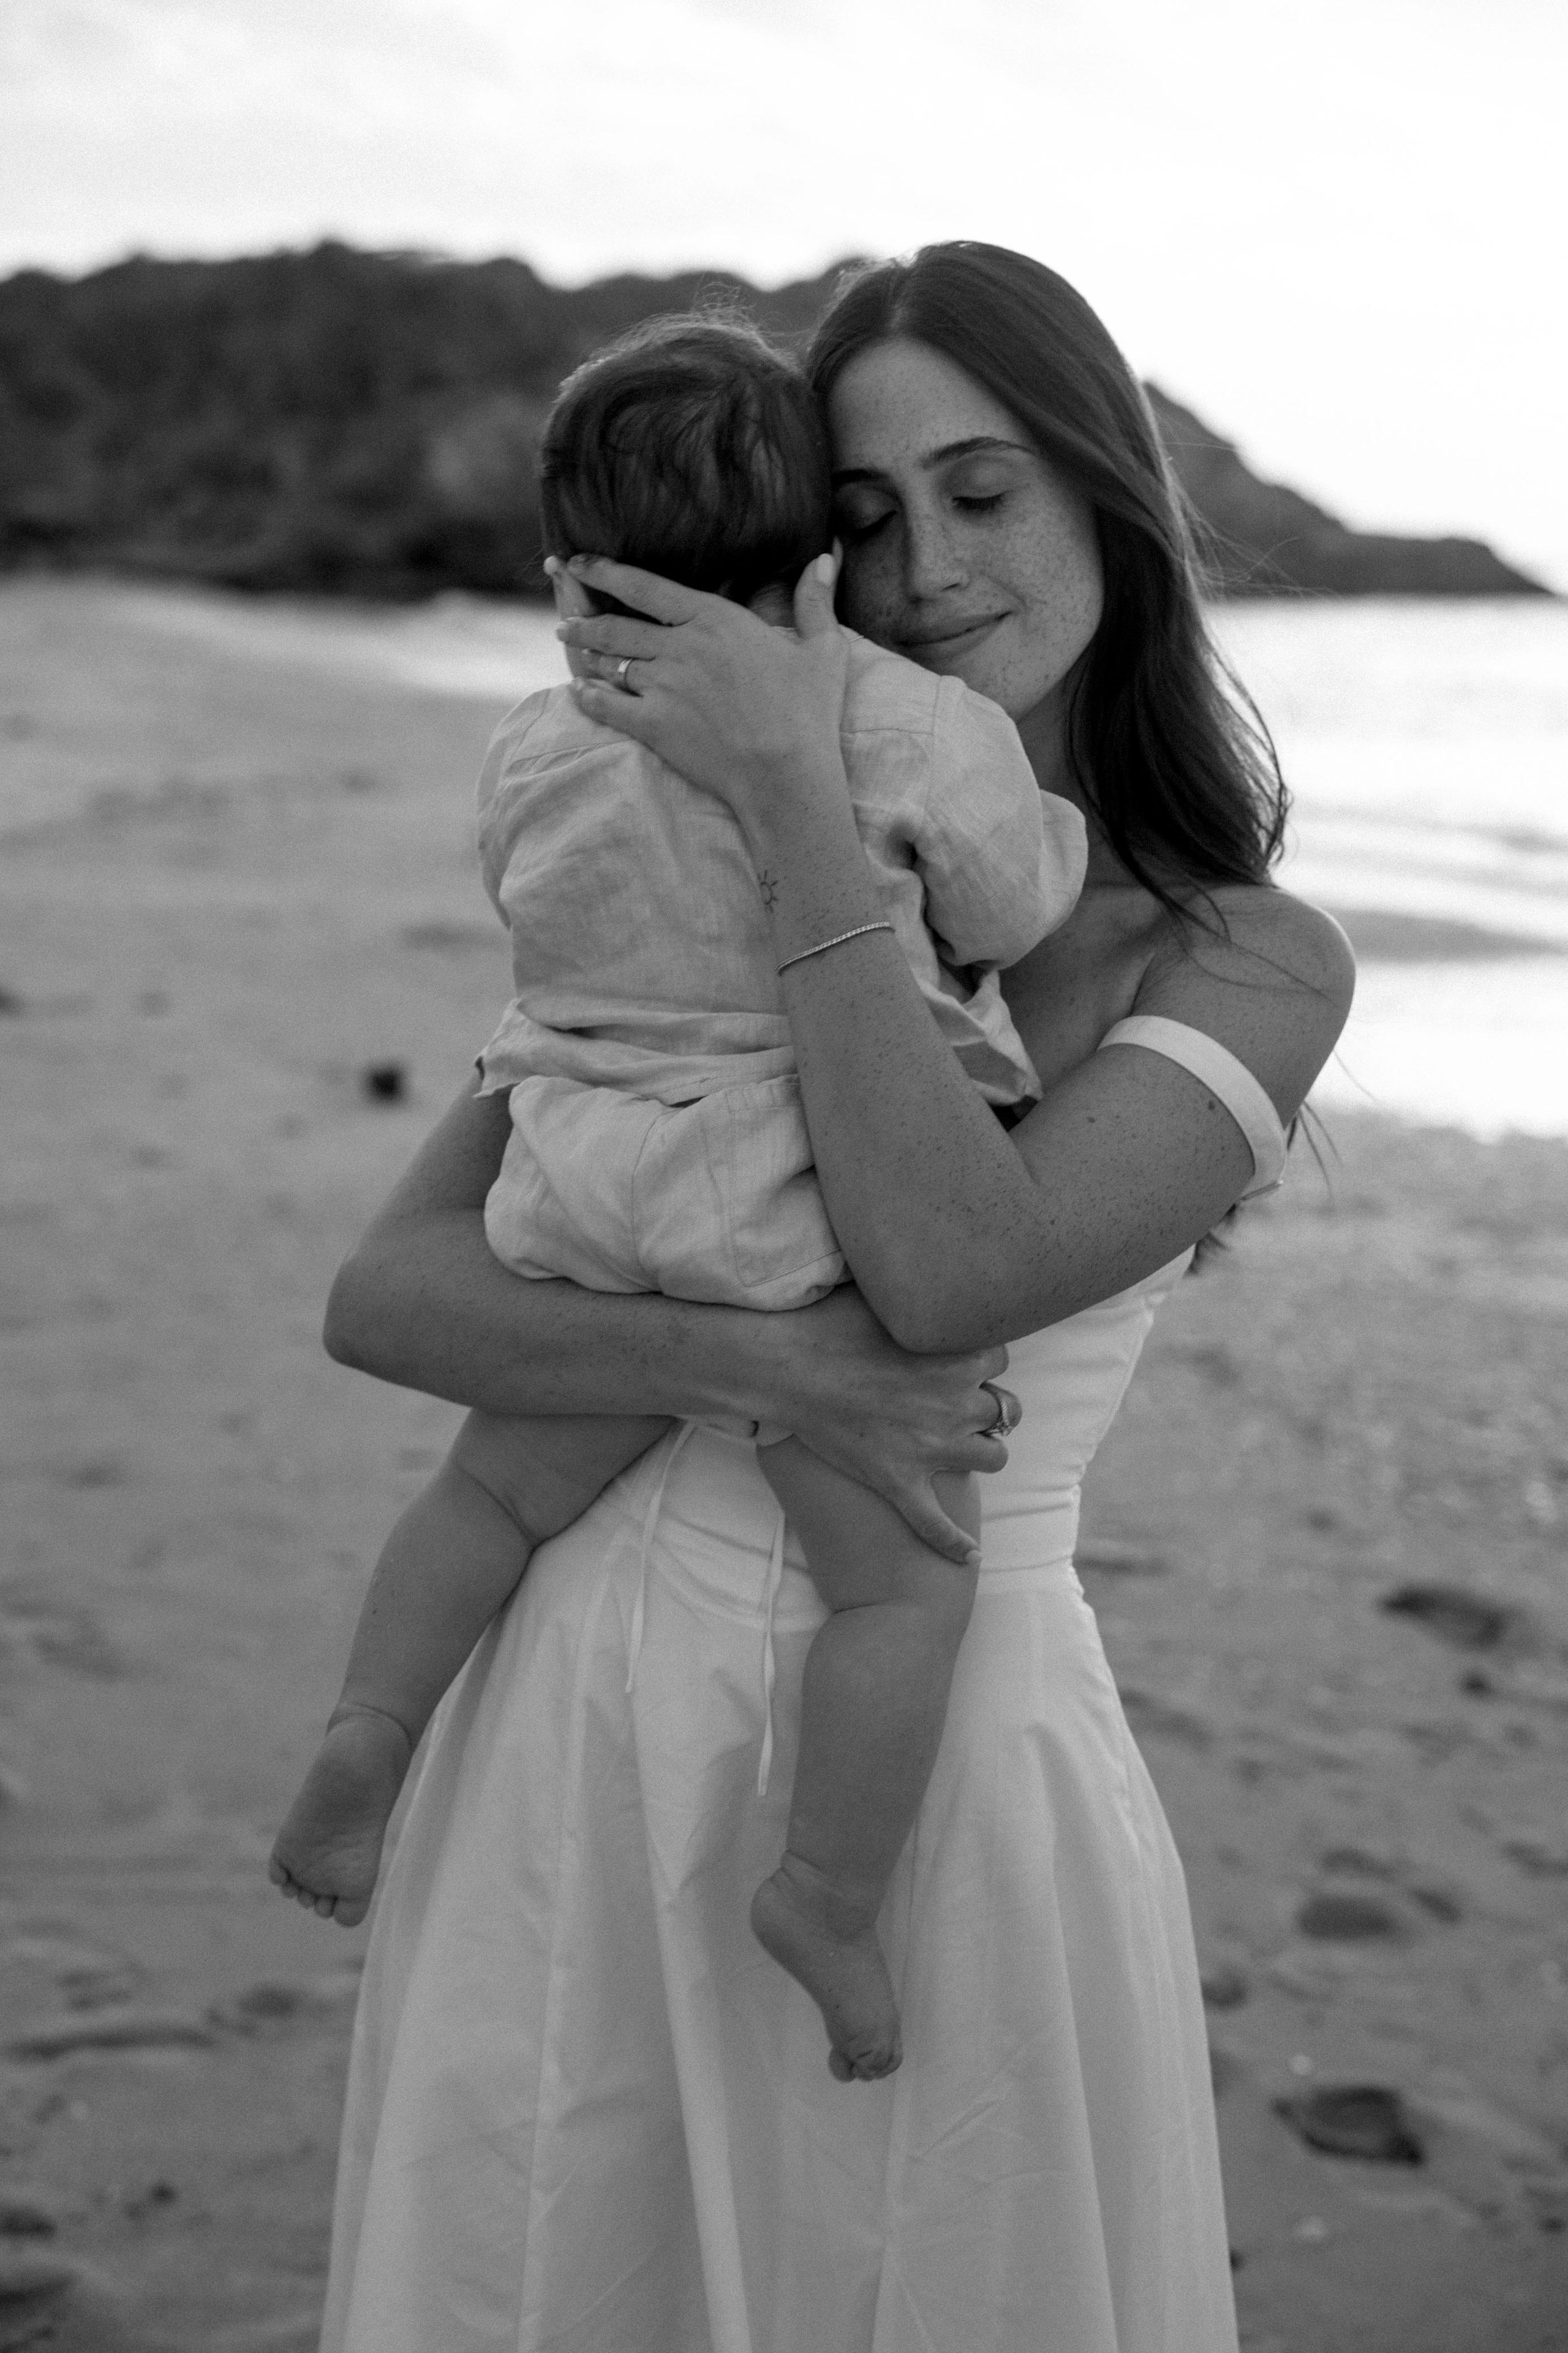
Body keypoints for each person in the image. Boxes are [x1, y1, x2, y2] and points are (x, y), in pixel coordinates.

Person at [316, 243, 1354, 2353]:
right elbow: (394, 1293)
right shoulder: (664, 885)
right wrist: (751, 1364)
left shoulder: (1245, 957)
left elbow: (952, 1265)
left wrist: (807, 801)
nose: (933, 565)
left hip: (927, 1776)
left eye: (987, 492)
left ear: (1106, 498)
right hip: (578, 1704)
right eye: (868, 519)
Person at [268, 314, 1087, 2085]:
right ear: (817, 564)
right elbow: (1014, 906)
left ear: (571, 579)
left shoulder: (539, 738)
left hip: (573, 1172)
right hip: (778, 1207)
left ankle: (366, 1730)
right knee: (901, 1591)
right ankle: (824, 1890)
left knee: (487, 1484)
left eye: (983, 495)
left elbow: (527, 899)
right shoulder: (906, 724)